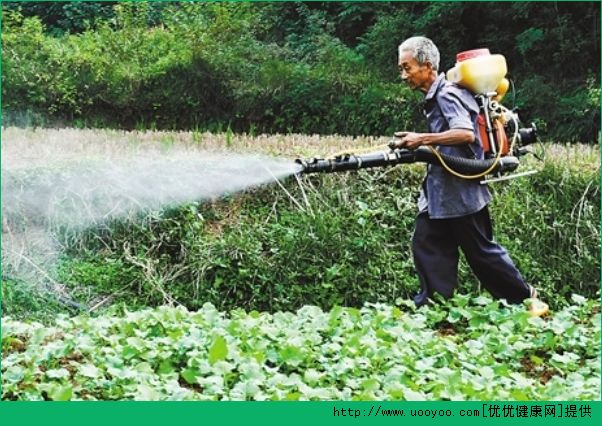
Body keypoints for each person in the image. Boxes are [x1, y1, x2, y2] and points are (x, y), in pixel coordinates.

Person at [391, 36, 548, 316]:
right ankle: (433, 308)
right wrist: (420, 144)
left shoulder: (447, 93)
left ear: (427, 66)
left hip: (460, 191)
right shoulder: (437, 95)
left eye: (407, 68)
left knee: (481, 253)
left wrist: (422, 139)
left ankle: (527, 298)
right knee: (427, 244)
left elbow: (465, 133)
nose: (403, 75)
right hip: (440, 190)